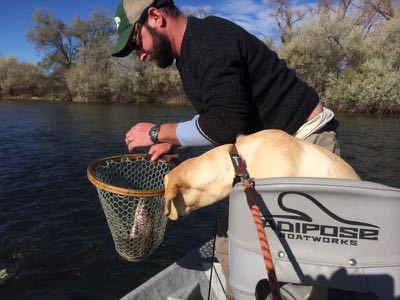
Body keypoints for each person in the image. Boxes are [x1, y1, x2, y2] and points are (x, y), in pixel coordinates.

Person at [111, 0, 340, 298]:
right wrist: (176, 141)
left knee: (297, 263)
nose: (139, 55)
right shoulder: (190, 55)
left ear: (155, 17)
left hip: (306, 141)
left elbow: (225, 124)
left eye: (135, 42)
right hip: (261, 150)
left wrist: (155, 132)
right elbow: (223, 117)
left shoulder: (210, 40)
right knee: (230, 245)